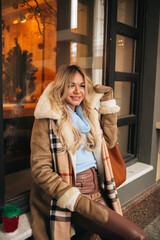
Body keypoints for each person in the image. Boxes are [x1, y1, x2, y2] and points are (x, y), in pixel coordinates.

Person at [30, 64, 146, 240]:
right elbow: (40, 170)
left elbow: (109, 142)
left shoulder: (86, 114)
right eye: (71, 85)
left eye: (82, 85)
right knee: (136, 237)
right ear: (61, 87)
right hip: (75, 194)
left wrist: (107, 102)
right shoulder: (48, 119)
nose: (78, 91)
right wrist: (74, 199)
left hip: (99, 188)